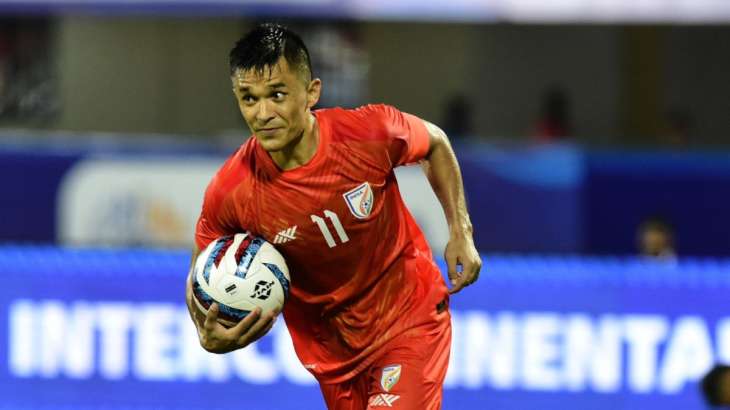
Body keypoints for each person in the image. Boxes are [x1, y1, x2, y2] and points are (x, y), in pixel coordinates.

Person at [184, 23, 481, 409]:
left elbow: (435, 144)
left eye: (277, 94)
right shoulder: (231, 191)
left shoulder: (367, 133)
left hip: (408, 320)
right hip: (333, 356)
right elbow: (202, 274)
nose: (263, 113)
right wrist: (206, 330)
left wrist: (461, 231)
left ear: (312, 92)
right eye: (249, 98)